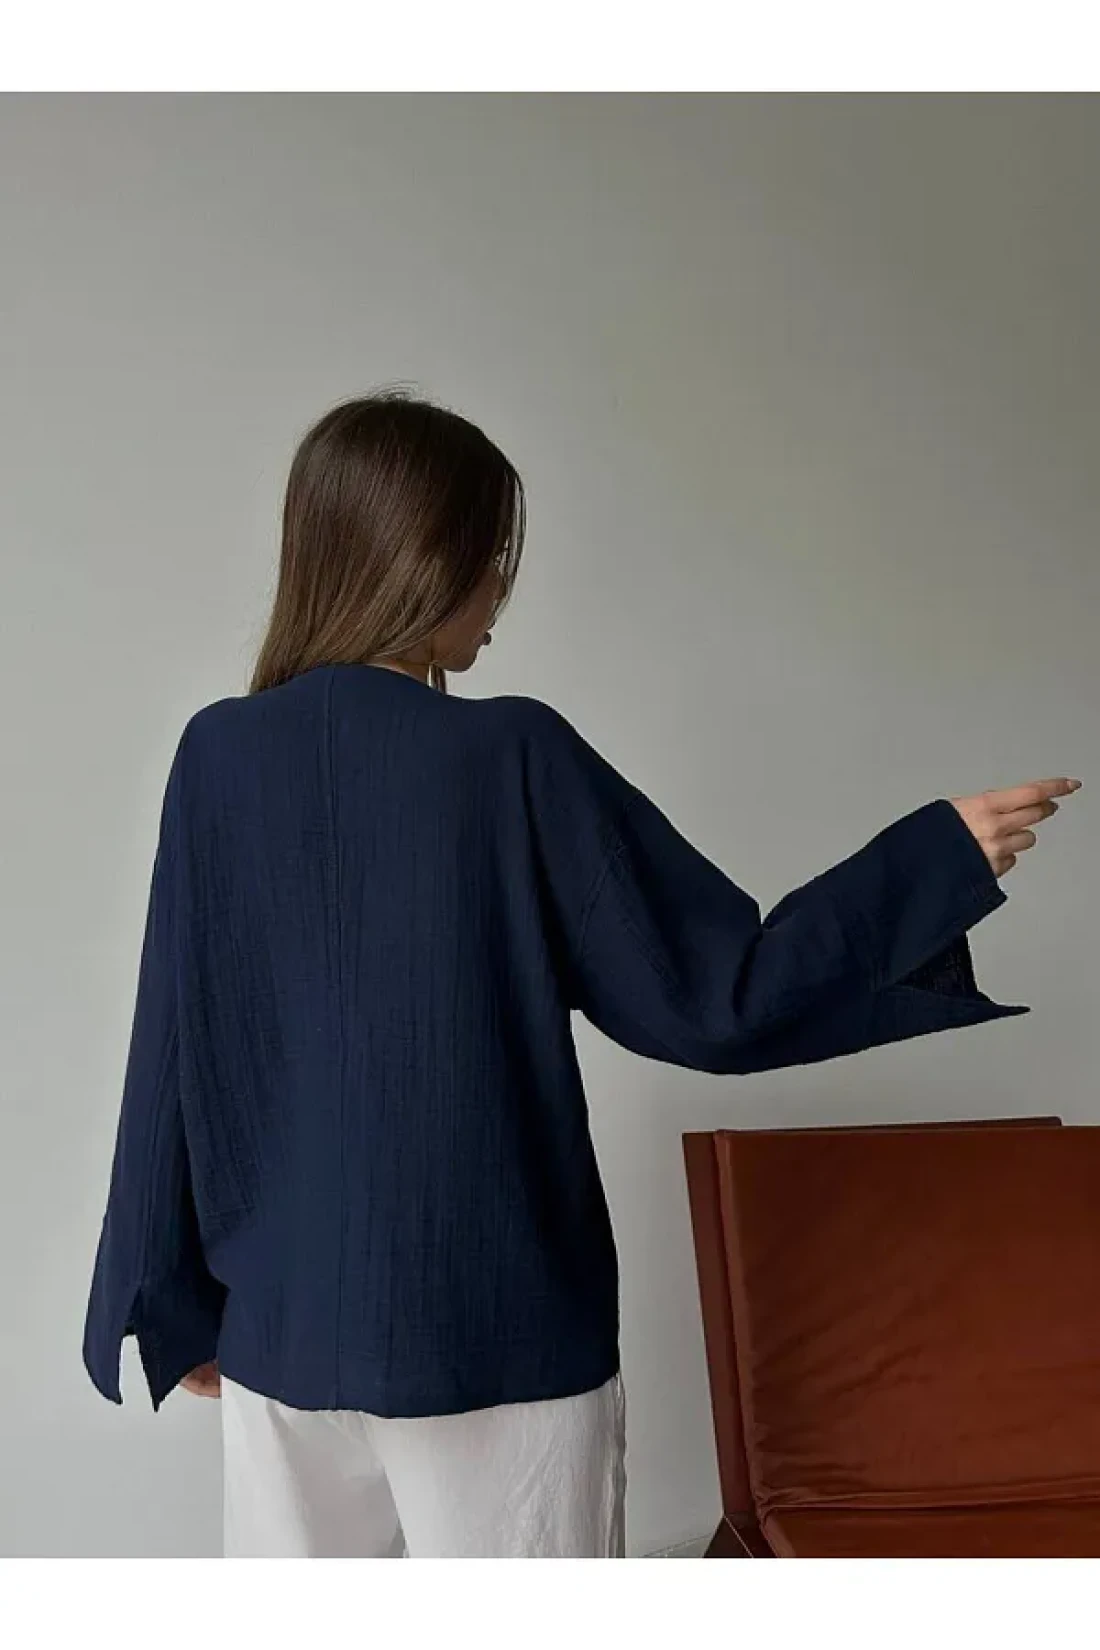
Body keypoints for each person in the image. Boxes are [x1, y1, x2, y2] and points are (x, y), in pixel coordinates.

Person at [82, 390, 1080, 1559]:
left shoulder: (217, 754)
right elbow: (714, 996)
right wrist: (933, 865)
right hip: (498, 1340)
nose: (498, 588)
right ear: (426, 555)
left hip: (280, 1338)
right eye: (489, 554)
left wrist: (164, 1290)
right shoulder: (509, 754)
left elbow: (176, 1040)